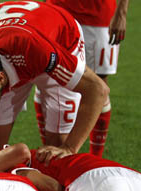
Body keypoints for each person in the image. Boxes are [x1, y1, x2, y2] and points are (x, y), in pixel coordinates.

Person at [0, 1, 109, 162]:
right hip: (14, 48)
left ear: (1, 79)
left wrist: (70, 148)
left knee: (57, 150)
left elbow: (98, 90)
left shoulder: (36, 50)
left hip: (59, 43)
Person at [47, 0, 131, 157]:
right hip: (57, 10)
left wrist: (121, 12)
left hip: (97, 17)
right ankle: (51, 155)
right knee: (50, 78)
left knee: (98, 84)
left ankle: (95, 157)